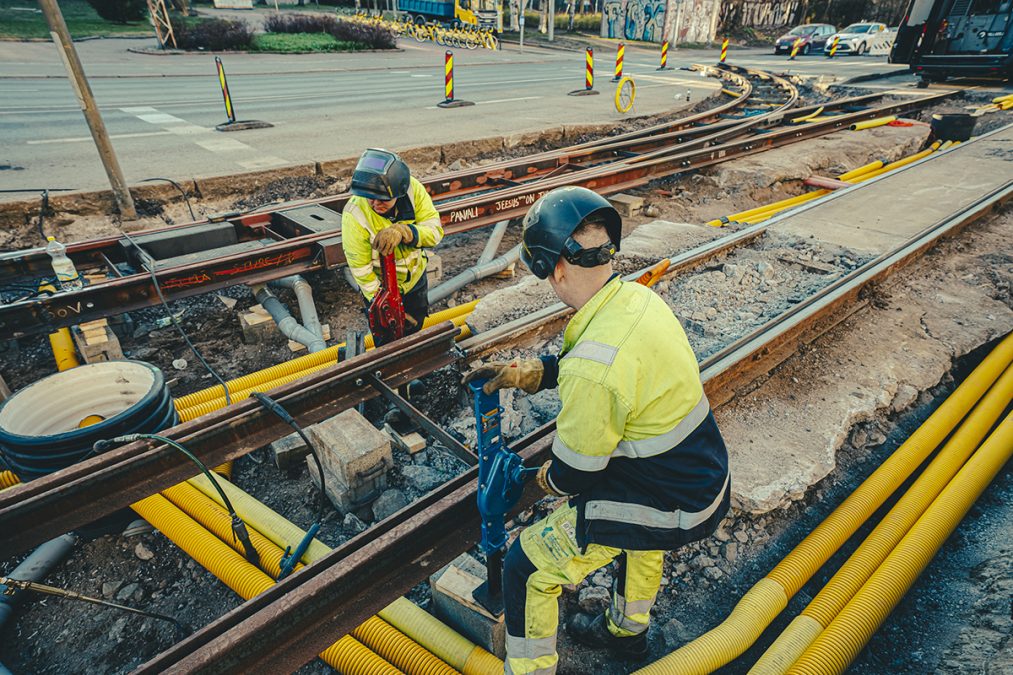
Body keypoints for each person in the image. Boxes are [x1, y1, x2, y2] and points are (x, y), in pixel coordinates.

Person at [464, 186, 730, 675]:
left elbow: (574, 474)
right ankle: (628, 634)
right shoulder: (633, 299)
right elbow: (591, 363)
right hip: (702, 479)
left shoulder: (594, 365)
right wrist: (527, 372)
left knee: (527, 564)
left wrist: (536, 481)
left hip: (670, 505)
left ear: (555, 268)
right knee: (634, 534)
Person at [341, 148, 444, 345]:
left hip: (414, 279)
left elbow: (435, 232)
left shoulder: (414, 191)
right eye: (370, 197)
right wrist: (384, 305)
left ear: (399, 191)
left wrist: (406, 232)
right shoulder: (354, 215)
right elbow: (361, 269)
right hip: (381, 289)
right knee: (386, 338)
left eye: (383, 199)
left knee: (415, 327)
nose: (375, 203)